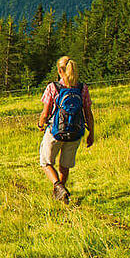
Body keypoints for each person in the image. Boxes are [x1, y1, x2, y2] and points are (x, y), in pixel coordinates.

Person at [37, 56, 94, 204]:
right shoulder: (82, 88)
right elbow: (88, 113)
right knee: (65, 165)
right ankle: (62, 197)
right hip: (75, 133)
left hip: (56, 132)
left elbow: (45, 112)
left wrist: (40, 123)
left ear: (59, 70)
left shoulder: (53, 87)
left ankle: (58, 187)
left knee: (45, 162)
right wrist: (91, 133)